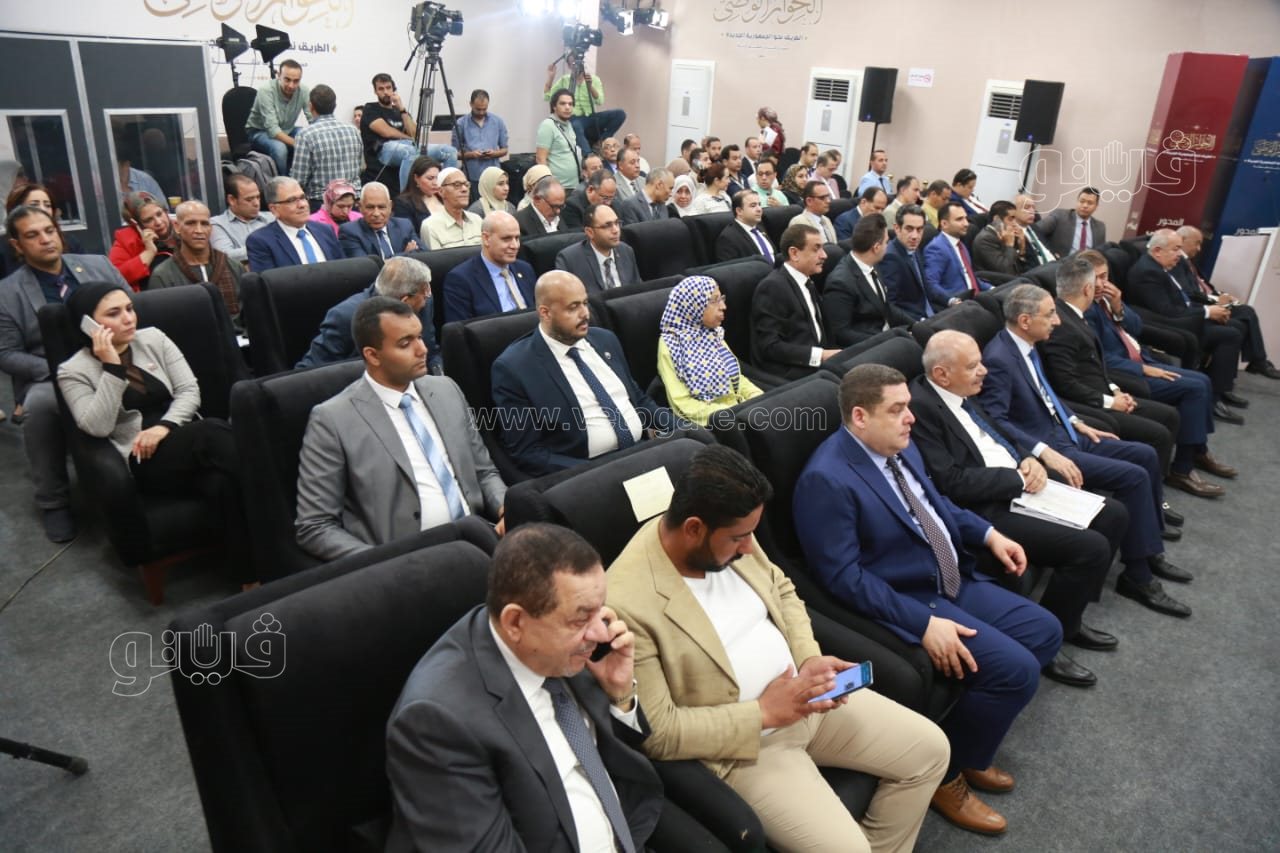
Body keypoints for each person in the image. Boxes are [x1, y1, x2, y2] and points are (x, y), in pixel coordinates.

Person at [608, 444, 950, 851]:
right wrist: (764, 712)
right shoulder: (626, 603)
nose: (749, 547)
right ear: (694, 529)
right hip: (747, 748)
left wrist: (808, 658)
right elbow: (660, 733)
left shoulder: (733, 533)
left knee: (931, 752)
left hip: (808, 698)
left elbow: (783, 590)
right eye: (739, 538)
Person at [794, 363, 1064, 835]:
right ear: (860, 416)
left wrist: (989, 533)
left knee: (1045, 631)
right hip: (911, 596)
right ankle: (946, 774)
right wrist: (921, 624)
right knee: (1017, 671)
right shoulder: (827, 479)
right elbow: (843, 578)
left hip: (950, 576)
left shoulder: (901, 445)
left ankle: (969, 746)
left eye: (909, 407)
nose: (911, 418)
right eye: (897, 409)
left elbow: (937, 506)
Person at [385, 523, 662, 853]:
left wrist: (619, 695)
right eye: (580, 619)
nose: (602, 634)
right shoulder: (437, 723)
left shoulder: (560, 645)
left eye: (599, 609)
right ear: (515, 622)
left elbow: (620, 764)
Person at [911, 331, 1131, 686]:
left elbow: (999, 431)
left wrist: (1028, 457)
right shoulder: (921, 409)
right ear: (942, 374)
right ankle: (1050, 644)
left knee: (1114, 514)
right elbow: (951, 482)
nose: (983, 370)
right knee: (1091, 548)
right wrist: (1017, 478)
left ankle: (1071, 616)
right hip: (988, 507)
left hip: (1019, 481)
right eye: (973, 366)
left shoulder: (963, 391)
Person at [979, 284, 1193, 618]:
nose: (1057, 321)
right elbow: (994, 419)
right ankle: (1139, 576)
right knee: (1134, 476)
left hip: (1065, 433)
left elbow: (1045, 394)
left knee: (1146, 454)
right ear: (1025, 320)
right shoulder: (999, 359)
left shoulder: (1027, 345)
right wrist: (1041, 451)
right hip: (1050, 448)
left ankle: (1149, 552)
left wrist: (1076, 421)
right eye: (1050, 314)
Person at [58, 282, 252, 585]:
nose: (128, 318)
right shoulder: (73, 371)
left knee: (221, 483)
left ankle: (250, 577)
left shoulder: (153, 338)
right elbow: (98, 426)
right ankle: (282, 493)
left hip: (184, 438)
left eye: (129, 308)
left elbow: (189, 390)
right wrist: (112, 368)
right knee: (212, 432)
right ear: (89, 325)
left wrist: (164, 427)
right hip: (142, 457)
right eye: (114, 313)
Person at [296, 296, 505, 561]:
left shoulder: (446, 389)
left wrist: (505, 507)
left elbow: (484, 472)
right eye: (405, 343)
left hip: (478, 539)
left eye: (420, 337)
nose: (422, 349)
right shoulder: (332, 420)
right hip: (405, 560)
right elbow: (315, 526)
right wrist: (382, 563)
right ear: (372, 355)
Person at [1042, 255, 1224, 497]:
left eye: (1106, 277)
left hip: (1115, 378)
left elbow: (1132, 330)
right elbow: (1072, 379)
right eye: (1098, 279)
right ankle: (1165, 484)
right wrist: (1113, 398)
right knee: (1184, 401)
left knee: (1189, 394)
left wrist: (1115, 389)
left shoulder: (1095, 304)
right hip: (1106, 386)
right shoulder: (1068, 320)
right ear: (1086, 287)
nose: (1103, 284)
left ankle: (1188, 459)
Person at [1, 205, 127, 542]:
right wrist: (62, 371)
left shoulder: (98, 266)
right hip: (51, 372)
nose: (45, 240)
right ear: (17, 245)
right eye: (33, 235)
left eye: (49, 231)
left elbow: (135, 310)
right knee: (39, 406)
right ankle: (53, 501)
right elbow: (6, 353)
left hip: (117, 357)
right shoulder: (7, 293)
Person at [491, 270, 671, 476]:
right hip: (589, 472)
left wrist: (687, 430)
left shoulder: (605, 340)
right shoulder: (514, 368)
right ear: (545, 313)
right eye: (573, 307)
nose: (585, 313)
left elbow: (639, 401)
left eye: (585, 303)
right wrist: (597, 472)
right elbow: (528, 453)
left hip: (644, 452)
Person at [1125, 229, 1246, 413]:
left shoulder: (1161, 267)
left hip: (1184, 316)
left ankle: (1221, 386)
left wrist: (1208, 308)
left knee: (1235, 324)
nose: (1179, 255)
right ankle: (1215, 396)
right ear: (1157, 251)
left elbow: (1183, 299)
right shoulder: (1148, 272)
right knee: (1230, 334)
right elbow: (1167, 311)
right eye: (1175, 249)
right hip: (1170, 324)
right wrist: (1206, 312)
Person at [295, 255, 440, 373]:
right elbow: (308, 372)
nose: (428, 295)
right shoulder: (345, 317)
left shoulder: (424, 302)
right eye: (425, 292)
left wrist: (440, 376)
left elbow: (431, 351)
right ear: (405, 301)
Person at [657, 276, 763, 426]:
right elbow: (683, 404)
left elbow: (736, 379)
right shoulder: (671, 344)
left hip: (738, 412)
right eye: (714, 301)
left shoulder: (713, 332)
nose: (723, 306)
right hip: (711, 423)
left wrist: (758, 397)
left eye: (722, 299)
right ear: (693, 306)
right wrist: (733, 414)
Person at [1176, 225, 1280, 378]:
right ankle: (1256, 362)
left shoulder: (1189, 262)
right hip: (1202, 306)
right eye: (1196, 243)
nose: (1199, 249)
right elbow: (1190, 292)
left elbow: (1204, 286)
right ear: (1182, 240)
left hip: (1209, 300)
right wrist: (1216, 300)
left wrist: (1222, 295)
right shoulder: (1178, 261)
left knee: (1244, 315)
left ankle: (1235, 372)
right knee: (1244, 315)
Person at [750, 223, 841, 380]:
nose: (824, 255)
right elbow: (770, 346)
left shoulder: (807, 280)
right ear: (794, 253)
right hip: (792, 370)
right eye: (816, 249)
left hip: (818, 363)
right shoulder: (772, 287)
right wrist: (820, 355)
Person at [823, 214, 916, 346]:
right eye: (886, 242)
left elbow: (886, 306)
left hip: (887, 335)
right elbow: (841, 333)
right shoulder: (840, 283)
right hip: (868, 346)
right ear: (876, 247)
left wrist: (915, 325)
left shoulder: (872, 264)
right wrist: (888, 339)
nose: (888, 246)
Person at [360, 73, 458, 195]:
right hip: (384, 149)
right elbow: (386, 132)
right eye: (381, 89)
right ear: (375, 91)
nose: (385, 92)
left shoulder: (401, 112)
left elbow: (415, 133)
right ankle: (407, 197)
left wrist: (401, 108)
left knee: (450, 151)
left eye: (388, 88)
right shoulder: (370, 108)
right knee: (410, 152)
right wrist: (408, 138)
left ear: (393, 89)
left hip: (409, 145)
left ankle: (447, 193)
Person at [148, 201, 243, 323]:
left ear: (211, 228)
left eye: (204, 224)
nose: (199, 230)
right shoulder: (163, 275)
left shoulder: (234, 267)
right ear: (177, 227)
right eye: (191, 223)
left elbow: (249, 315)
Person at [443, 211, 536, 323]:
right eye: (506, 239)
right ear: (486, 239)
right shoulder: (461, 280)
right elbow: (461, 329)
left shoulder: (525, 269)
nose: (515, 246)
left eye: (517, 238)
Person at [288, 84, 362, 210]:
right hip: (352, 203)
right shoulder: (353, 130)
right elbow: (358, 167)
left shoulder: (305, 135)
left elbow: (299, 179)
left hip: (321, 204)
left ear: (311, 106)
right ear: (335, 105)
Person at [245, 177, 341, 272]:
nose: (302, 205)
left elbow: (342, 271)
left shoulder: (325, 231)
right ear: (274, 209)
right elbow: (268, 280)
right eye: (291, 200)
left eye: (303, 197)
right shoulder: (261, 241)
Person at [544, 60, 627, 158]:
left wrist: (590, 86)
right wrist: (551, 77)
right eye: (572, 63)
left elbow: (600, 101)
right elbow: (547, 96)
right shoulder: (565, 80)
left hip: (591, 117)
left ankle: (601, 143)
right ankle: (589, 155)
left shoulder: (594, 79)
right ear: (569, 66)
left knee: (620, 114)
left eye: (578, 64)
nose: (576, 67)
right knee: (576, 125)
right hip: (574, 118)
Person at [244, 58, 311, 176]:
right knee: (280, 149)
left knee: (305, 135)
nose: (291, 85)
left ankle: (301, 178)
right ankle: (283, 182)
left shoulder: (304, 91)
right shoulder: (266, 90)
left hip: (287, 129)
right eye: (287, 80)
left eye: (296, 81)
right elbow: (273, 130)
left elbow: (312, 118)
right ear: (279, 75)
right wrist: (298, 144)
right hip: (259, 131)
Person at [555, 203, 640, 293]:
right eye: (607, 226)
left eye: (617, 223)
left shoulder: (626, 251)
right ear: (590, 232)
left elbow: (637, 289)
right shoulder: (569, 260)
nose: (616, 230)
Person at [923, 202, 990, 309]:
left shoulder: (960, 245)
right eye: (959, 219)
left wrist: (991, 288)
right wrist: (951, 300)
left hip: (976, 299)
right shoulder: (937, 248)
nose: (966, 223)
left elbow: (969, 277)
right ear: (944, 224)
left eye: (965, 218)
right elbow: (931, 284)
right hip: (961, 305)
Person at [108, 192, 176, 291]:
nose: (158, 222)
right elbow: (115, 278)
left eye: (159, 214)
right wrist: (149, 252)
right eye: (148, 220)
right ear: (136, 224)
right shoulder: (126, 239)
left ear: (165, 211)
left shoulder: (182, 227)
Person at [878, 204, 934, 320]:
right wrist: (917, 323)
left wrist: (950, 300)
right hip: (915, 320)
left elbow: (925, 288)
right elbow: (890, 306)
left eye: (919, 230)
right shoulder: (890, 258)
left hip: (931, 312)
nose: (915, 236)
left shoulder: (914, 247)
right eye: (909, 229)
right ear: (897, 228)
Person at [338, 182, 419, 260]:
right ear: (360, 207)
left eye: (381, 207)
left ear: (390, 206)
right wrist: (405, 254)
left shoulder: (404, 226)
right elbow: (365, 265)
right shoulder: (350, 232)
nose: (376, 213)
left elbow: (422, 254)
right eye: (370, 207)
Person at [210, 174, 274, 267]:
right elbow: (224, 256)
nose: (256, 203)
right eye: (249, 199)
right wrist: (268, 247)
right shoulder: (217, 224)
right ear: (232, 200)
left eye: (258, 197)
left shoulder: (272, 218)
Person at [451, 89, 509, 185]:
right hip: (472, 175)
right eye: (478, 109)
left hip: (494, 175)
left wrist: (494, 153)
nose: (481, 112)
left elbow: (505, 149)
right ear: (471, 104)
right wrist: (472, 155)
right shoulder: (460, 124)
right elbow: (454, 154)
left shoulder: (498, 121)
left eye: (484, 109)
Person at [422, 167, 482, 250]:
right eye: (457, 185)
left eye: (466, 185)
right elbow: (436, 258)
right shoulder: (430, 226)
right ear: (441, 191)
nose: (464, 189)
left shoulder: (477, 220)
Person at [535, 88, 584, 191]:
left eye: (570, 104)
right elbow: (540, 159)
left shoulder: (569, 125)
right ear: (554, 106)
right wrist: (549, 185)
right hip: (557, 188)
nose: (567, 107)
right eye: (563, 103)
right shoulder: (548, 125)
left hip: (574, 186)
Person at [1034, 187, 1105, 256]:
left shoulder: (1100, 227)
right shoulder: (1060, 216)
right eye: (1082, 201)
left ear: (1096, 206)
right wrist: (1049, 252)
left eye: (1090, 203)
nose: (1085, 205)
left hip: (1086, 263)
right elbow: (1034, 231)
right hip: (1059, 262)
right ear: (1077, 201)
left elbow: (1099, 254)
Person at [970, 200, 1033, 276]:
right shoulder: (985, 239)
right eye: (1011, 219)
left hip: (1018, 278)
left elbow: (1020, 268)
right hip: (999, 281)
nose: (1015, 224)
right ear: (997, 219)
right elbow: (1006, 271)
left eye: (1015, 219)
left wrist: (1022, 249)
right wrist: (1009, 245)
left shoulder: (1008, 234)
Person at [714, 190, 776, 264]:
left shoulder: (760, 228)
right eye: (753, 206)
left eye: (759, 204)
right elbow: (732, 268)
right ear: (739, 211)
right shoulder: (728, 238)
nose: (759, 209)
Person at [391, 156, 442, 234]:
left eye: (438, 178)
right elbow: (407, 234)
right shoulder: (403, 203)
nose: (435, 183)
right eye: (430, 178)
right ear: (416, 178)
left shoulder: (444, 197)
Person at [1012, 194, 1056, 268]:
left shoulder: (1035, 227)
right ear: (1014, 211)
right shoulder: (1013, 233)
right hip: (1038, 270)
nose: (1032, 211)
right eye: (1027, 207)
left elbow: (1047, 250)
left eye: (1033, 208)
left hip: (1054, 266)